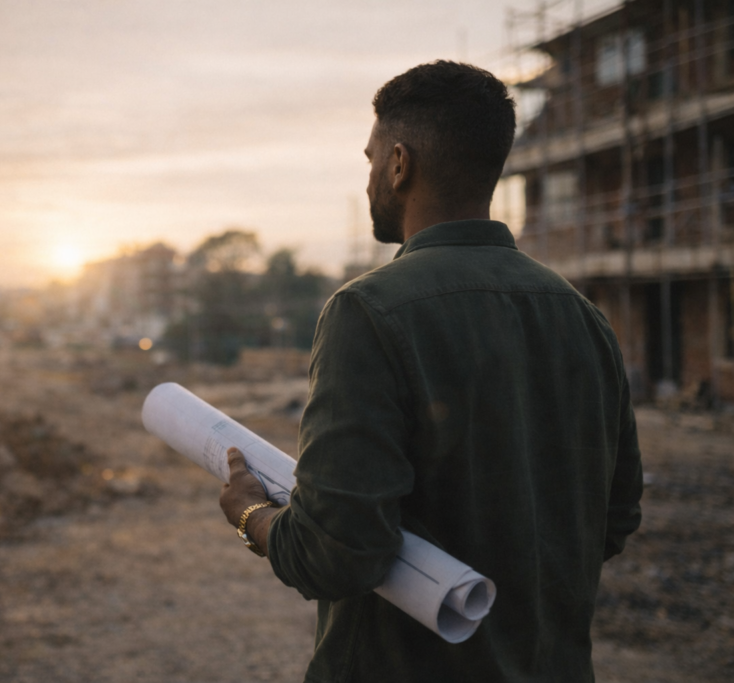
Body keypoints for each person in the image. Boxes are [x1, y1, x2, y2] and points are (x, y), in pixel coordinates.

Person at [219, 61, 643, 682]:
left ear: (399, 163)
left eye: (369, 161)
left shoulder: (366, 311)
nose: (367, 182)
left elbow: (336, 553)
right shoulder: (584, 317)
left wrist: (250, 518)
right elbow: (617, 516)